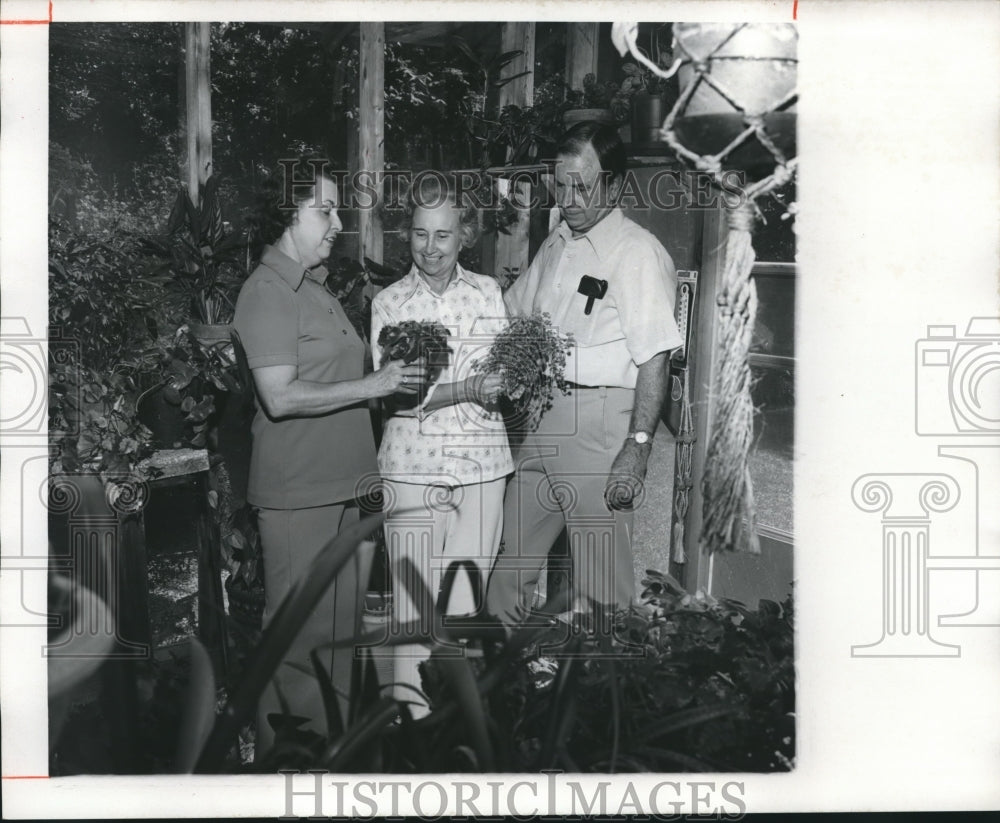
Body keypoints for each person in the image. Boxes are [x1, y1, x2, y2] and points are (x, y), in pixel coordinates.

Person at [233, 161, 425, 756]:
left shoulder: (313, 291)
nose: (338, 223)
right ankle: (285, 772)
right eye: (325, 210)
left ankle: (331, 762)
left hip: (344, 491)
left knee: (339, 638)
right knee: (297, 641)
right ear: (287, 216)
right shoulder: (266, 292)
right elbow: (279, 396)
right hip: (299, 496)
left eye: (338, 211)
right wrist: (373, 386)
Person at [486, 122, 683, 627]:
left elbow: (655, 356)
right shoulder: (557, 242)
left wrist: (636, 447)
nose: (569, 198)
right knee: (507, 571)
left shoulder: (637, 252)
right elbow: (511, 313)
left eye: (583, 186)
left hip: (599, 428)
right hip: (538, 420)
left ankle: (607, 695)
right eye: (560, 184)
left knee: (603, 590)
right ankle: (506, 690)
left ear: (615, 185)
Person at [371, 174, 511, 716]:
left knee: (461, 608)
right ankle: (411, 731)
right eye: (420, 234)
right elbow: (401, 394)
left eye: (443, 236)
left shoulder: (487, 293)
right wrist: (471, 387)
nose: (430, 248)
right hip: (410, 470)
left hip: (481, 469)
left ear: (465, 237)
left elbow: (498, 379)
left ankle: (454, 731)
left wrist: (510, 377)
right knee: (411, 610)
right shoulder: (389, 302)